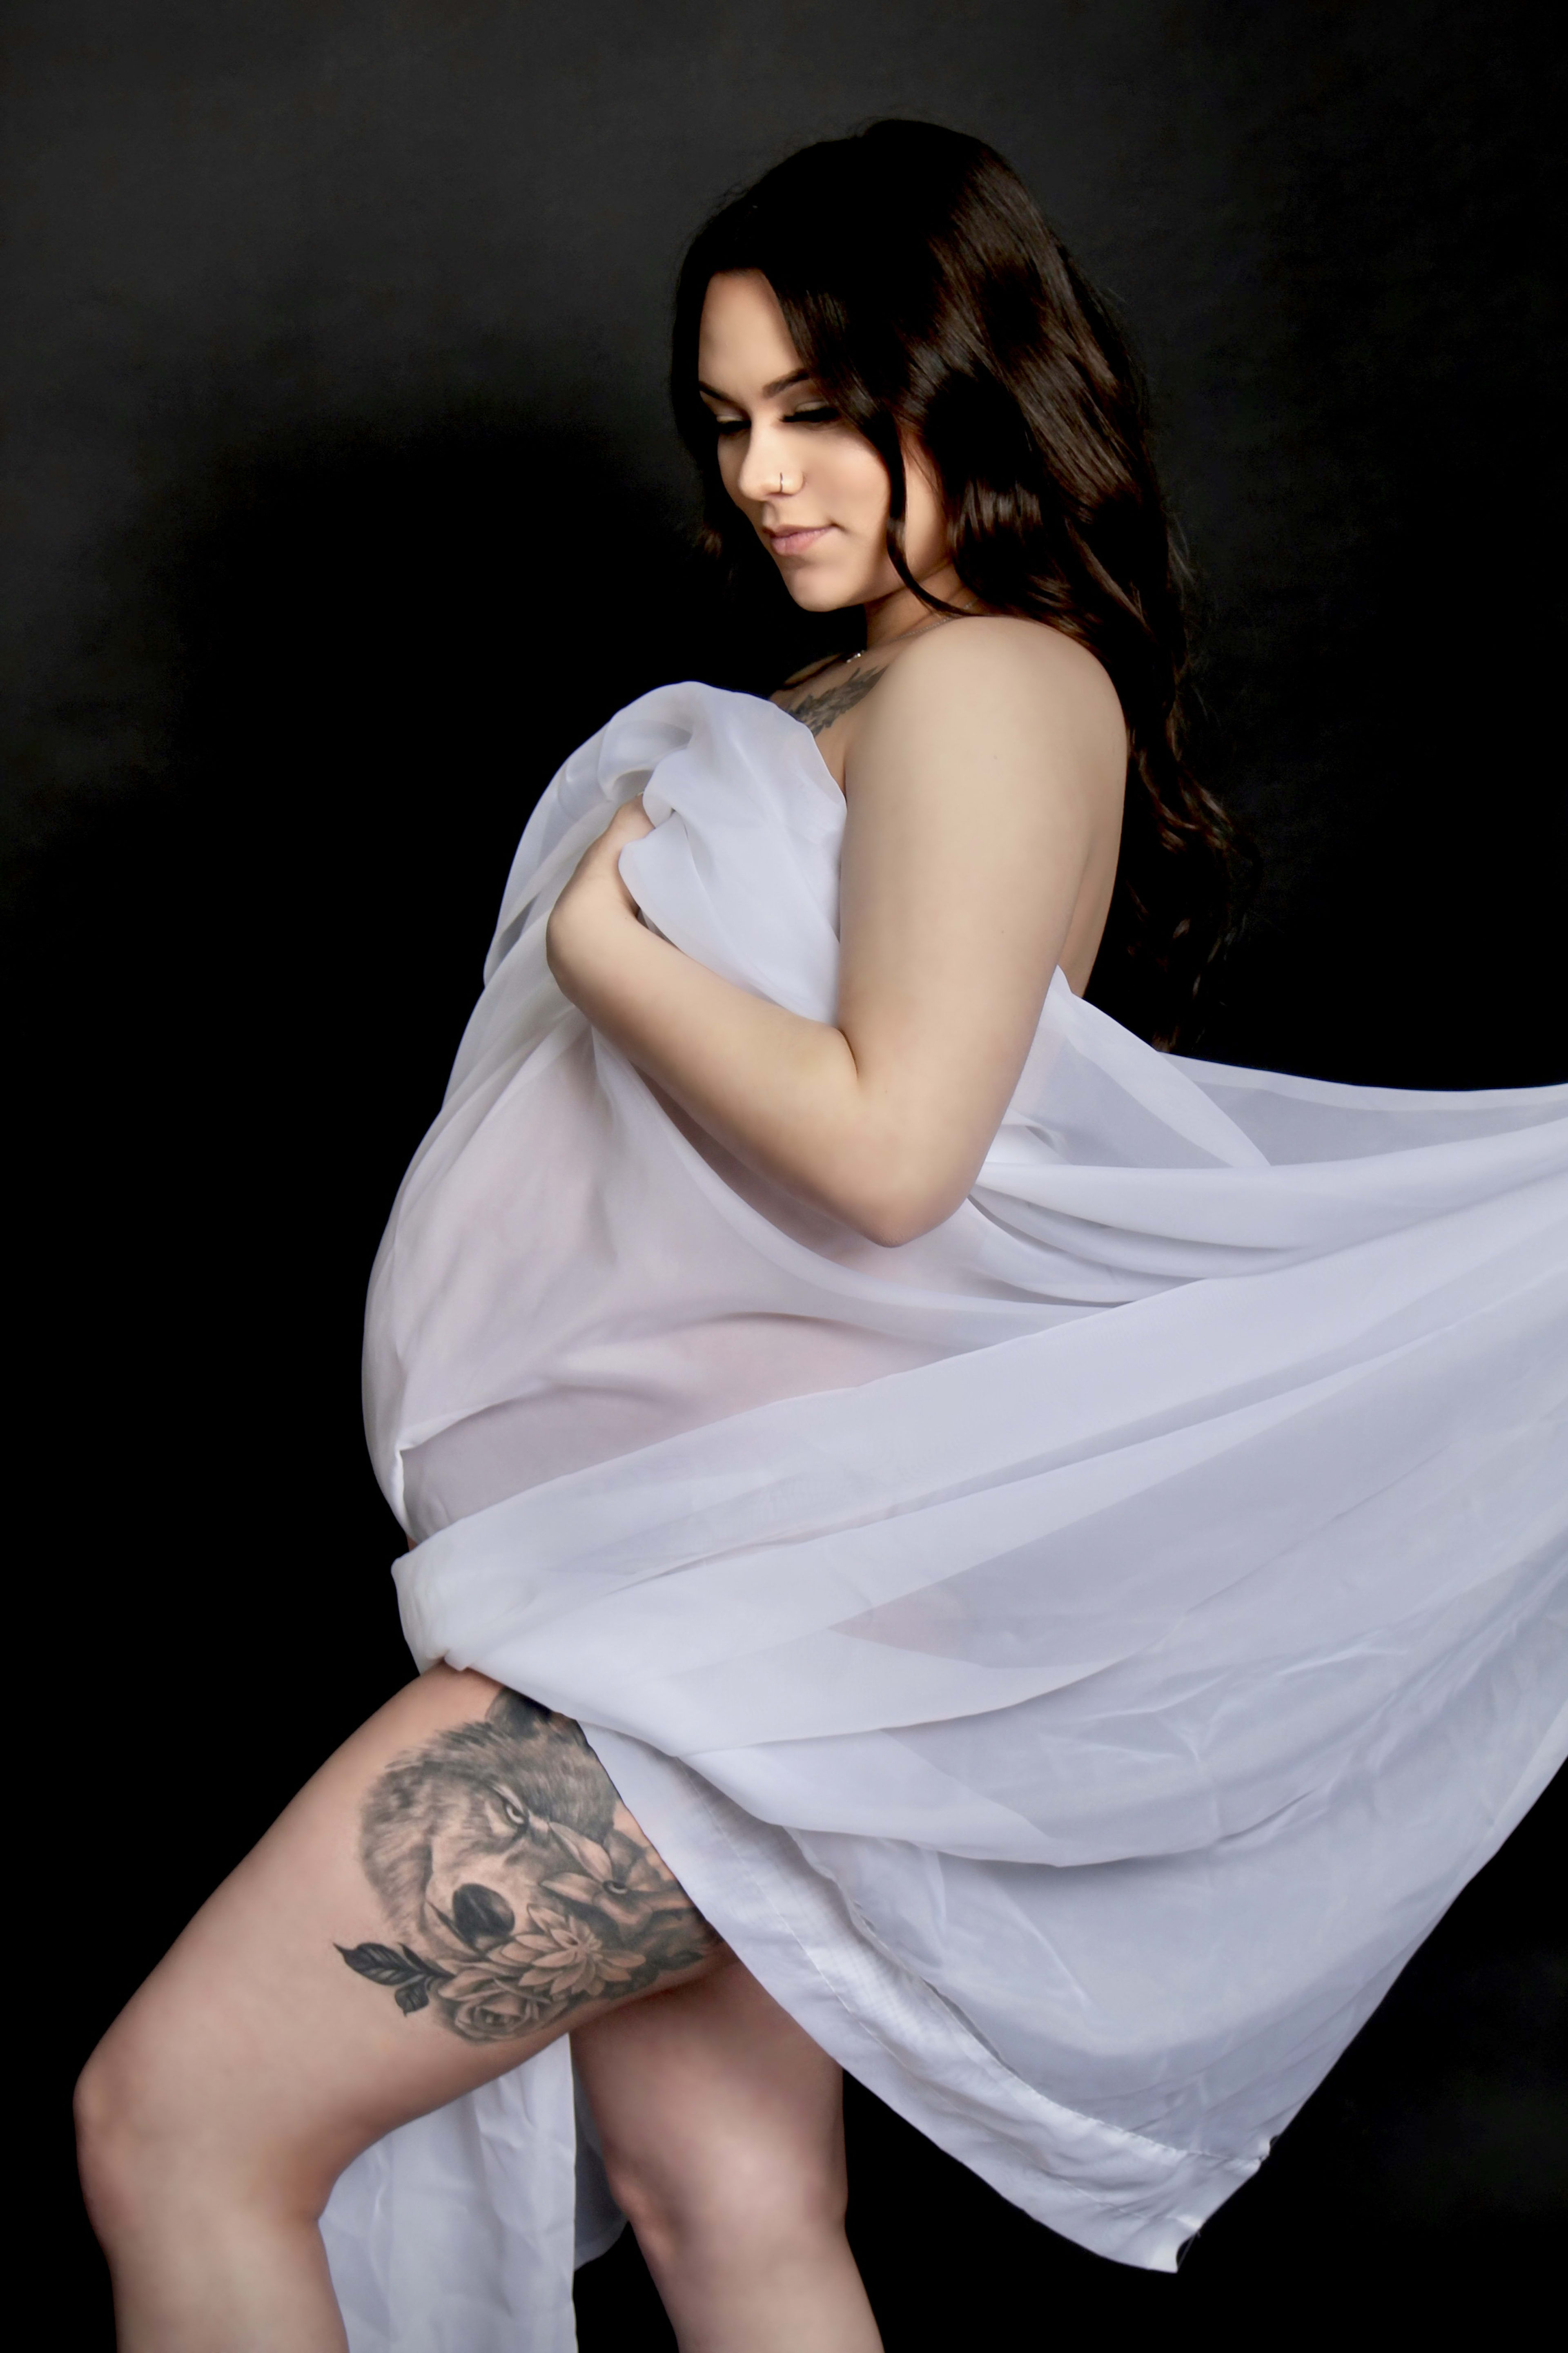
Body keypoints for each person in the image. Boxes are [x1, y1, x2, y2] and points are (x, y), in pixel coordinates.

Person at [76, 123, 1568, 2353]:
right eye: (728, 417)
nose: (762, 472)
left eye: (820, 410)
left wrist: (617, 951)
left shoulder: (986, 678)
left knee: (180, 2119)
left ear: (965, 383)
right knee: (735, 2202)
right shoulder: (885, 687)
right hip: (740, 1609)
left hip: (721, 1636)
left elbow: (894, 1152)